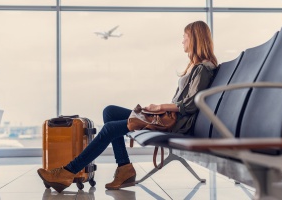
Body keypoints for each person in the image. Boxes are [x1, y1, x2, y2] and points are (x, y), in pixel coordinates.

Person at [37, 20, 218, 193]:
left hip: (177, 125)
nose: (182, 41)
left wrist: (159, 107)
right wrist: (158, 109)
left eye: (185, 36)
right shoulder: (195, 67)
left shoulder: (203, 69)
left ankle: (67, 172)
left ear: (194, 39)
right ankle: (124, 168)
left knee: (109, 128)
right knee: (110, 111)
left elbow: (191, 105)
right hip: (170, 118)